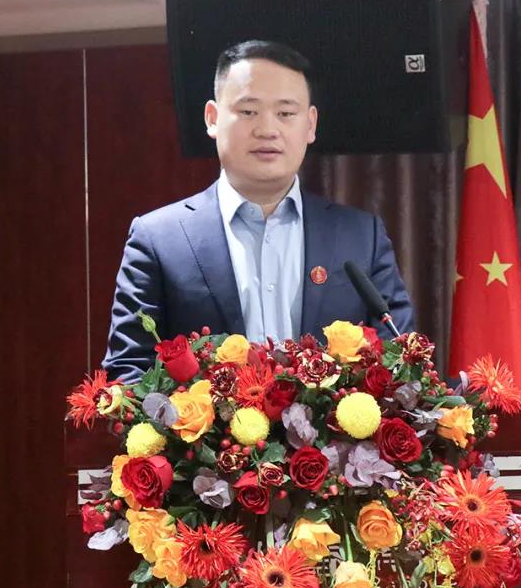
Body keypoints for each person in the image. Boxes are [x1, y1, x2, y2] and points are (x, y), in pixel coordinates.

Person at [102, 40, 414, 380]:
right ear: (213, 118)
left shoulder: (361, 237)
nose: (267, 130)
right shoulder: (159, 240)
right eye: (249, 111)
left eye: (285, 114)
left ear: (310, 124)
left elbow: (399, 361)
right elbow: (128, 371)